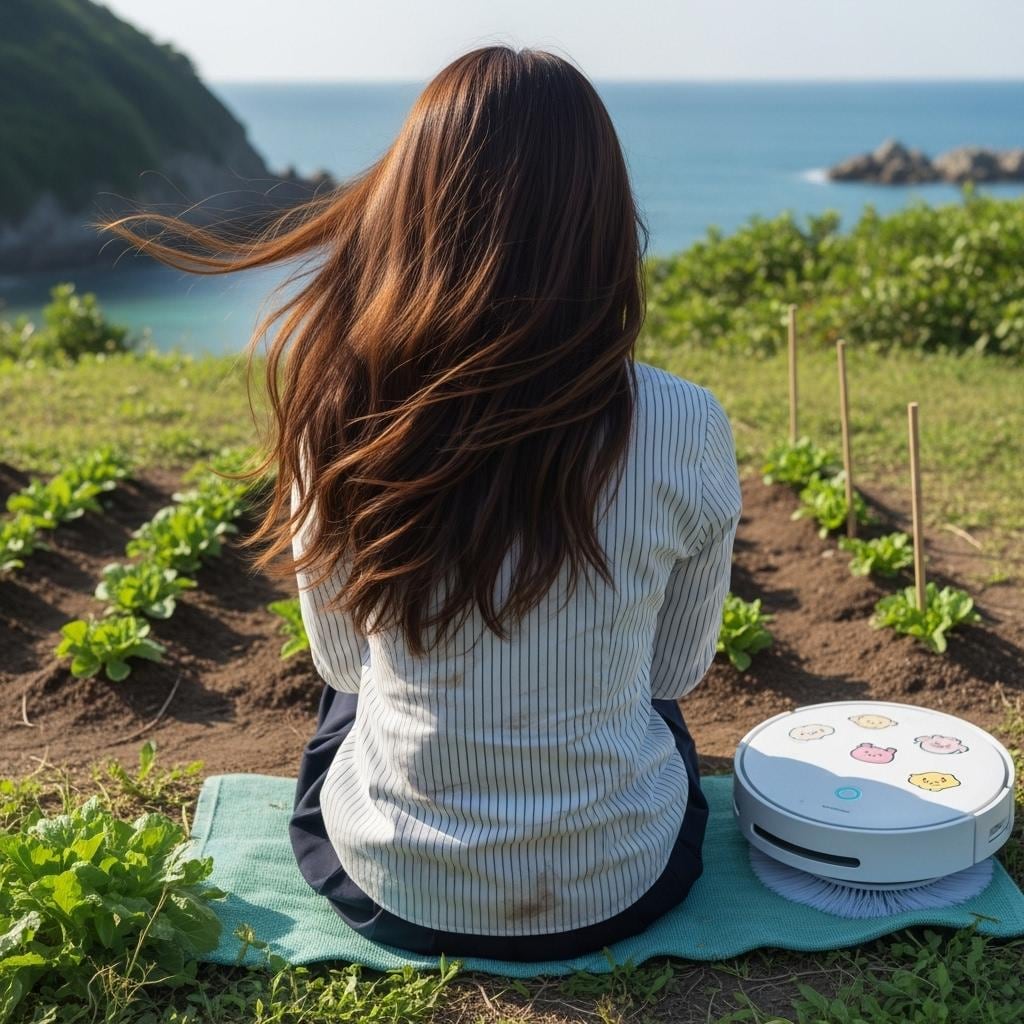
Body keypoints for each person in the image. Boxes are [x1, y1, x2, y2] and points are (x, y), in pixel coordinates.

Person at [103, 45, 742, 961]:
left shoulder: (340, 407)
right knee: (649, 714)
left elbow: (343, 666)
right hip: (619, 883)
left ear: (414, 209)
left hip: (395, 882)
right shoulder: (686, 420)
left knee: (346, 703)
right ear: (603, 220)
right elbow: (673, 677)